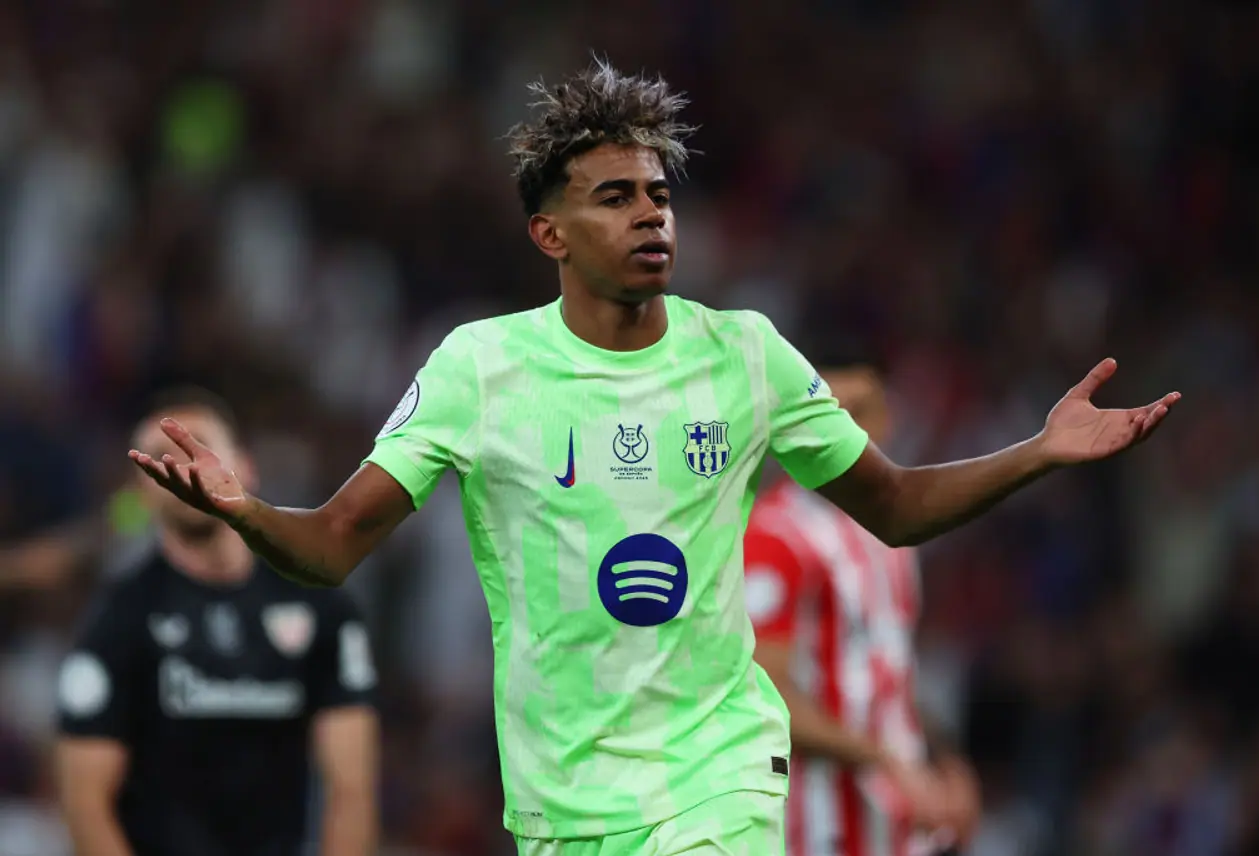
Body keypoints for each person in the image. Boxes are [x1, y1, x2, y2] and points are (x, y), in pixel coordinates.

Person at [128, 61, 1179, 856]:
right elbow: (332, 545)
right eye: (614, 197)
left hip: (719, 774)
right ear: (549, 234)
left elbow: (895, 504)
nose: (649, 215)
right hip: (561, 798)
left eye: (658, 195)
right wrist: (244, 511)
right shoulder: (479, 368)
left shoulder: (745, 354)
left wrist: (1040, 451)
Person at [58, 387, 379, 856]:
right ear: (143, 488)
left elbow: (351, 790)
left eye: (200, 446)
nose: (182, 467)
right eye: (162, 456)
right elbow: (86, 803)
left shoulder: (320, 606)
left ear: (245, 468)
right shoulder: (117, 620)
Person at [744, 361, 979, 856]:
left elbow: (889, 672)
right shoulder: (775, 536)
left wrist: (945, 762)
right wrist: (884, 761)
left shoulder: (892, 536)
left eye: (859, 412)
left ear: (887, 419)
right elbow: (765, 694)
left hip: (892, 820)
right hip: (813, 823)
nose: (843, 431)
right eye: (828, 412)